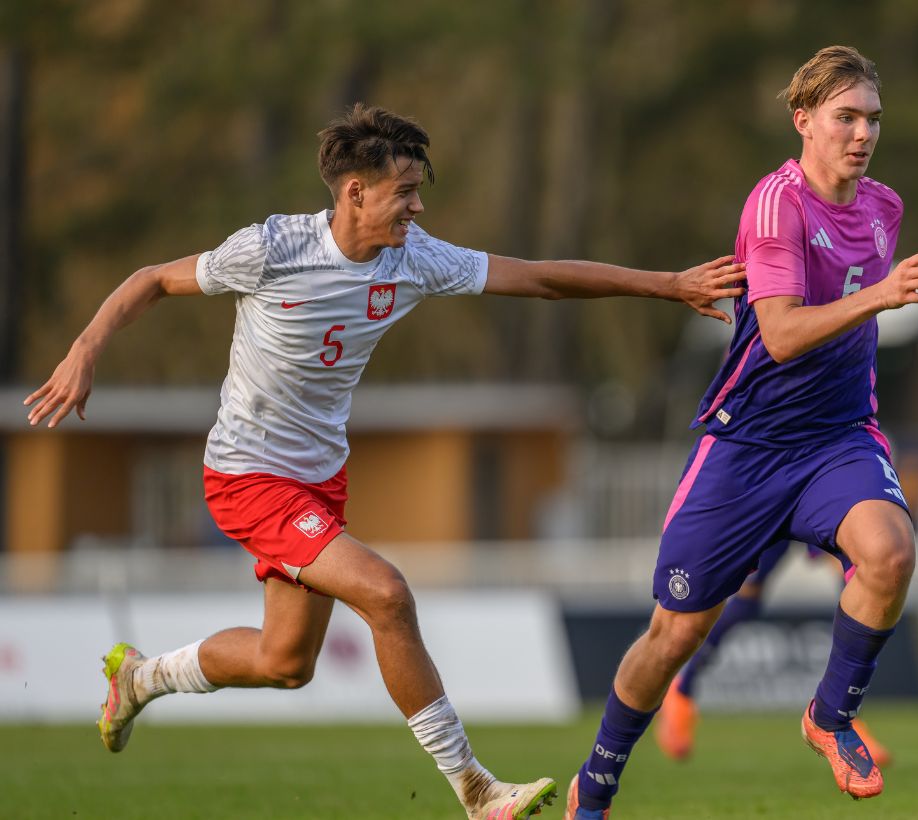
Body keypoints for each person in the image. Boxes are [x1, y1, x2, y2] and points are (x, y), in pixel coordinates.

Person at [23, 103, 745, 820]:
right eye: (405, 191)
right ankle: (476, 790)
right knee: (387, 593)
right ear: (355, 192)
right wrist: (84, 350)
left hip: (318, 480)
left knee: (285, 662)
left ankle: (142, 678)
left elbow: (539, 278)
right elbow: (151, 278)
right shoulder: (271, 249)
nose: (417, 205)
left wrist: (668, 284)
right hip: (247, 475)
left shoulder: (416, 257)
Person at [564, 45, 918, 818]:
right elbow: (779, 336)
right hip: (745, 446)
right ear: (803, 121)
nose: (861, 133)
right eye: (845, 117)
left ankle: (829, 718)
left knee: (891, 552)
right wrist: (882, 297)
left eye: (871, 118)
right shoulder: (776, 204)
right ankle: (594, 787)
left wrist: (879, 299)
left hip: (838, 436)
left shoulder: (884, 207)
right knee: (673, 636)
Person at [653, 541, 893, 767]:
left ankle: (842, 718)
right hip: (771, 498)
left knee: (850, 568)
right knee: (747, 597)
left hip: (815, 496)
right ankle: (682, 692)